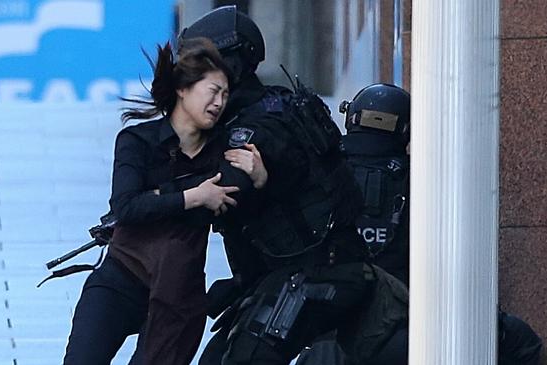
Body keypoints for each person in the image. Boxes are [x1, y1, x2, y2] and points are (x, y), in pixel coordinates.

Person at [173, 6, 392, 365]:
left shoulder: (257, 126)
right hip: (298, 270)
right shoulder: (274, 105)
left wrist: (158, 201)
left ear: (232, 66)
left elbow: (224, 189)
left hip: (318, 272)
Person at [297, 83, 541, 364]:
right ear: (406, 130)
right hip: (405, 325)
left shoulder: (316, 174)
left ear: (352, 118)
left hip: (326, 327)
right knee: (520, 340)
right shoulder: (426, 178)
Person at [62, 37, 266, 365]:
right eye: (213, 90)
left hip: (178, 298)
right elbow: (126, 208)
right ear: (183, 89)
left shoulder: (223, 151)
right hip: (120, 278)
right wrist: (193, 196)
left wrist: (259, 179)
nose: (219, 102)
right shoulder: (137, 140)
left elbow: (235, 206)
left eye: (226, 95)